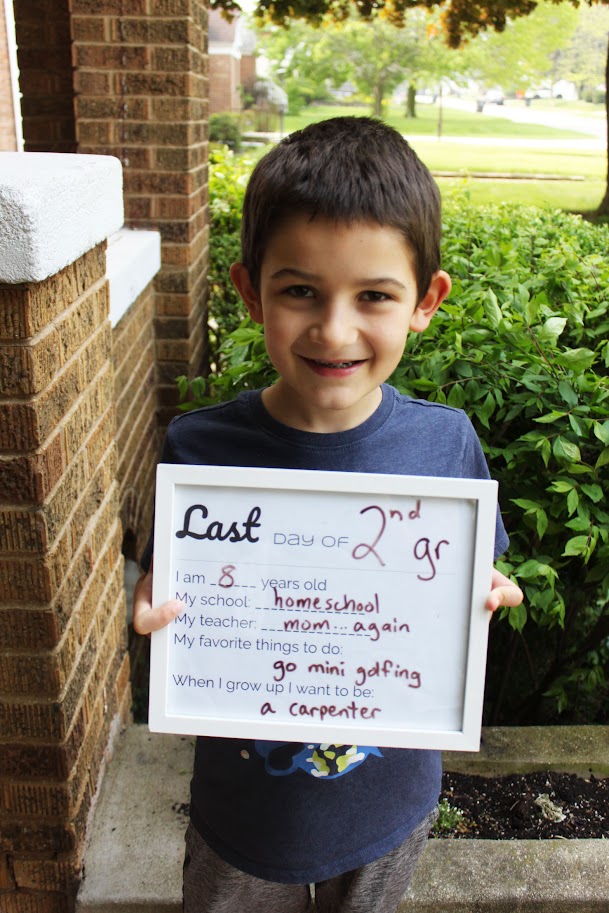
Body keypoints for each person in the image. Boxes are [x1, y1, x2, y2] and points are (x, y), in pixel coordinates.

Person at [133, 116, 523, 913]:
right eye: (299, 290)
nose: (334, 329)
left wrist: (483, 594)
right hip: (242, 818)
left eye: (373, 295)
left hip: (384, 808)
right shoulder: (199, 449)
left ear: (424, 301)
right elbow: (164, 603)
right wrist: (146, 610)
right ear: (250, 292)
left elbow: (477, 575)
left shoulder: (443, 444)